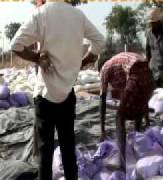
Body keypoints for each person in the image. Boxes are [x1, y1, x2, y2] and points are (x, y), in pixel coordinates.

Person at [10, 0, 105, 179]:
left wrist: (38, 58)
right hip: (67, 95)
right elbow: (100, 41)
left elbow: (16, 45)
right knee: (68, 151)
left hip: (45, 96)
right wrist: (83, 62)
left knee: (45, 154)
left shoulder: (41, 13)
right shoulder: (78, 15)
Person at [99, 52, 154, 172]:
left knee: (119, 117)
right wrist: (147, 120)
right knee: (137, 111)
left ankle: (121, 163)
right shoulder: (119, 63)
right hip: (150, 77)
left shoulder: (105, 68)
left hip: (137, 74)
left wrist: (102, 130)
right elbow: (139, 98)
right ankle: (138, 149)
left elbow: (102, 100)